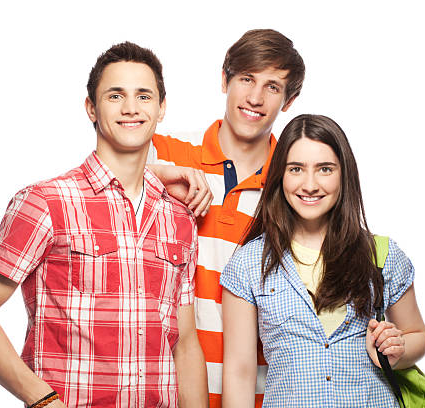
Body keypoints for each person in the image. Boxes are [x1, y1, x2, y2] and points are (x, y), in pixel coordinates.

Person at [0, 42, 209, 408]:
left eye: (144, 95)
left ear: (161, 107)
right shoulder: (45, 203)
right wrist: (41, 400)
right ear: (91, 107)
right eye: (115, 95)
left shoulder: (179, 218)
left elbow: (184, 343)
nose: (131, 108)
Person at [220, 114, 425, 407]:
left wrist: (398, 348)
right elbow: (240, 372)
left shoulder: (382, 255)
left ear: (344, 174)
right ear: (280, 175)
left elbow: (417, 335)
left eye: (325, 169)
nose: (310, 184)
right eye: (296, 169)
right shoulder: (248, 263)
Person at [150, 29, 305, 407]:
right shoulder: (168, 152)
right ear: (225, 80)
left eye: (272, 86)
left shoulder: (297, 187)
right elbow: (100, 182)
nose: (255, 97)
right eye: (246, 79)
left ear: (290, 100)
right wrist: (157, 174)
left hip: (259, 396)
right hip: (169, 392)